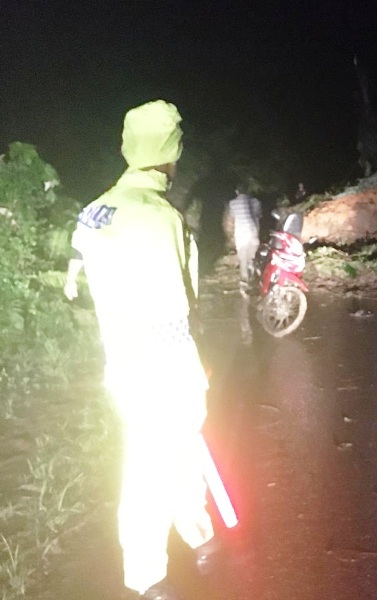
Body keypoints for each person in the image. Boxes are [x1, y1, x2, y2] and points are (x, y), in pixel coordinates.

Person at [64, 100, 218, 600]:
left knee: (169, 457)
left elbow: (77, 277)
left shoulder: (94, 210)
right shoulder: (158, 217)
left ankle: (197, 541)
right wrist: (195, 368)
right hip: (162, 367)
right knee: (153, 467)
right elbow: (175, 310)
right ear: (171, 155)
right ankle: (149, 578)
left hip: (122, 364)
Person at [226, 185, 262, 295]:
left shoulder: (232, 203)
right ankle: (256, 279)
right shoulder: (255, 201)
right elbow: (259, 215)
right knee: (252, 258)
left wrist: (230, 235)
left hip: (241, 234)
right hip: (253, 233)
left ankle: (244, 282)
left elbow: (231, 219)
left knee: (243, 259)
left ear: (237, 191)